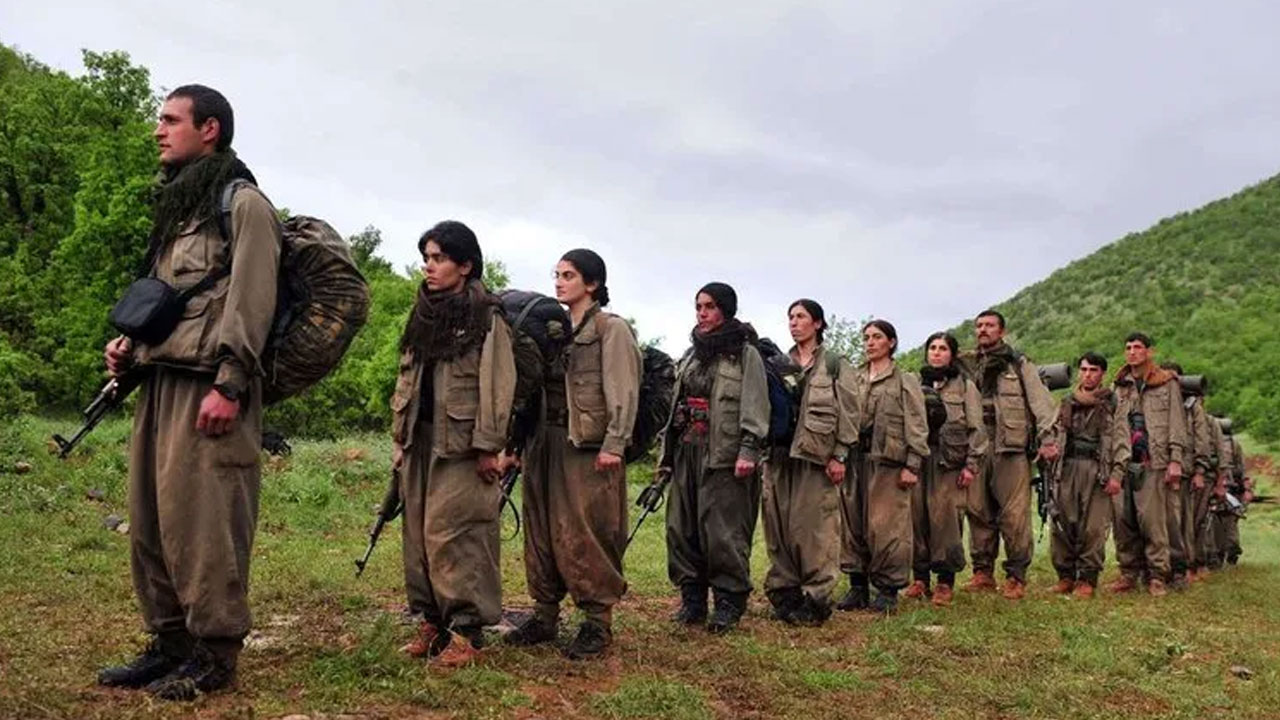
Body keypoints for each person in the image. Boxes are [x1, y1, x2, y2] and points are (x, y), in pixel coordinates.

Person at [98, 85, 281, 700]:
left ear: (210, 130)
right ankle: (169, 641)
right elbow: (166, 299)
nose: (159, 129)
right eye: (160, 119)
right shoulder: (178, 209)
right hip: (161, 381)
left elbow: (253, 300)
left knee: (204, 524)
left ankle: (215, 652)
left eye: (171, 120)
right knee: (153, 520)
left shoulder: (243, 203)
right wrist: (129, 345)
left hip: (211, 387)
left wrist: (232, 381)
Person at [506, 249, 641, 659]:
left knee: (587, 530)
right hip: (543, 441)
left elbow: (624, 388)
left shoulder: (609, 329)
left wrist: (615, 443)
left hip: (586, 445)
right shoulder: (550, 329)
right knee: (542, 528)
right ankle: (545, 615)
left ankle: (596, 622)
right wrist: (516, 444)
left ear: (593, 284)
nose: (560, 281)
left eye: (569, 275)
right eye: (557, 274)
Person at [393, 221, 516, 665]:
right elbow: (407, 376)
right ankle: (431, 620)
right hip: (421, 439)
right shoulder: (423, 310)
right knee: (419, 533)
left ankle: (467, 631)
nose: (430, 266)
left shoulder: (486, 315)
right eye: (427, 257)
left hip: (463, 444)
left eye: (440, 258)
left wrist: (489, 446)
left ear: (465, 265)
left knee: (456, 533)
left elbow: (498, 384)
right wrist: (399, 438)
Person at [658, 282, 769, 633]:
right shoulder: (692, 354)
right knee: (682, 529)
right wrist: (667, 455)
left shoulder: (744, 353)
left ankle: (729, 602)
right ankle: (692, 601)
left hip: (725, 455)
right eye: (698, 307)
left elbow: (755, 403)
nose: (702, 313)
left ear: (725, 310)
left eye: (709, 306)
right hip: (687, 450)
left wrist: (748, 450)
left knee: (723, 531)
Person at [762, 300, 857, 625]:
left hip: (815, 458)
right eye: (790, 317)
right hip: (778, 457)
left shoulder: (833, 364)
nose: (794, 322)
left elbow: (849, 411)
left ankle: (817, 599)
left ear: (817, 323)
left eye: (801, 317)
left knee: (815, 530)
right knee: (779, 527)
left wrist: (840, 454)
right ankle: (785, 593)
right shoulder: (778, 363)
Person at [959, 310, 1059, 601]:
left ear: (1001, 331)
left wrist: (1048, 440)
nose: (983, 330)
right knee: (977, 511)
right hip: (976, 447)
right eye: (978, 326)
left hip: (1011, 448)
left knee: (1014, 515)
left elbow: (1042, 403)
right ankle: (982, 572)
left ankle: (1016, 575)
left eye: (989, 326)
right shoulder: (965, 364)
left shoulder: (1019, 363)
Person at [837, 319, 929, 614]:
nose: (870, 342)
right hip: (854, 460)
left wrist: (912, 464)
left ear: (891, 342)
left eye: (877, 337)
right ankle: (858, 586)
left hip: (889, 463)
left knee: (887, 526)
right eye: (866, 337)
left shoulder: (905, 380)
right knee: (852, 524)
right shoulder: (854, 378)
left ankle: (888, 589)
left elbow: (917, 423)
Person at [905, 332, 987, 607]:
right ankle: (919, 578)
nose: (936, 353)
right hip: (918, 459)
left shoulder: (964, 386)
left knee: (946, 521)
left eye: (942, 348)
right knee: (916, 518)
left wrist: (971, 465)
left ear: (951, 354)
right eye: (932, 348)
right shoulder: (914, 384)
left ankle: (944, 582)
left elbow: (976, 428)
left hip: (949, 462)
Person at [1110, 333, 1187, 596]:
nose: (1132, 352)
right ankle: (1129, 573)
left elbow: (1177, 423)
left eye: (1138, 347)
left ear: (1149, 352)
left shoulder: (1167, 383)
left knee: (1153, 521)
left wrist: (1176, 460)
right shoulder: (1119, 385)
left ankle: (1157, 575)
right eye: (1128, 347)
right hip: (1123, 461)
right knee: (1123, 520)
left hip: (1154, 460)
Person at [1047, 353, 1128, 598]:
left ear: (1102, 373)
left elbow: (1122, 441)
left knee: (1093, 527)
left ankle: (1087, 578)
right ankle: (1065, 575)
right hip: (1067, 466)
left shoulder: (1113, 403)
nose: (1087, 375)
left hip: (1097, 470)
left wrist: (1117, 474)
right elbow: (1053, 430)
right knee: (1062, 522)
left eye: (1093, 370)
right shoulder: (1067, 401)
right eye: (1083, 370)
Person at [1161, 363, 1212, 587]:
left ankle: (1186, 566)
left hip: (1184, 471)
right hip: (1157, 468)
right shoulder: (1157, 401)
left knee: (1183, 522)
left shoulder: (1192, 407)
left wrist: (1200, 471)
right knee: (1159, 522)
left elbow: (1202, 441)